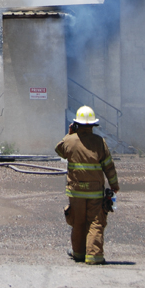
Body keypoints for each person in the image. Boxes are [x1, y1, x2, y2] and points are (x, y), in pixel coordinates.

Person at [55, 105, 120, 265]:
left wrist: (69, 134)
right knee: (95, 222)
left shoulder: (69, 141)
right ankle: (94, 256)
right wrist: (114, 184)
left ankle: (78, 254)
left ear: (76, 124)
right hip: (95, 192)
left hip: (76, 192)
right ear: (92, 125)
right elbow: (108, 166)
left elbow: (60, 150)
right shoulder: (99, 142)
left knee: (78, 222)